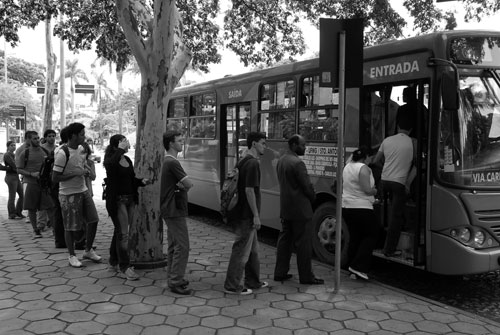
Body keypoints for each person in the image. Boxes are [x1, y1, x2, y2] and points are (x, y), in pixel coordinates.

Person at [274, 134, 324, 285]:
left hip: (286, 208)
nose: (305, 148)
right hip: (301, 210)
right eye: (303, 145)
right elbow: (307, 187)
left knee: (285, 242)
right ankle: (306, 277)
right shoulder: (297, 163)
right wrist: (313, 197)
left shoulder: (282, 160)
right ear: (294, 145)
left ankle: (280, 273)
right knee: (304, 245)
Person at [224, 131, 269, 295]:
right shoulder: (252, 164)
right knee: (241, 250)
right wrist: (256, 215)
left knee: (253, 250)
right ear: (254, 144)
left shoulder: (243, 160)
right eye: (263, 143)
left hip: (243, 211)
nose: (265, 146)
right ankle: (232, 285)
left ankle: (253, 280)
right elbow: (249, 190)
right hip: (246, 214)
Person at [53, 122, 101, 268]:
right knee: (70, 227)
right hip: (68, 194)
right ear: (73, 136)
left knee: (93, 220)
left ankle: (88, 250)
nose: (84, 137)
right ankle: (72, 255)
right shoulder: (62, 153)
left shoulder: (81, 149)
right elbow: (55, 178)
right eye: (81, 134)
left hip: (83, 190)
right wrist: (75, 173)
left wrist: (87, 169)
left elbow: (81, 164)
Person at [104, 134, 150, 280]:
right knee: (123, 235)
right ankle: (124, 267)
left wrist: (141, 181)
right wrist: (119, 150)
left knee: (121, 231)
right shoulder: (112, 160)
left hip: (130, 200)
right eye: (123, 141)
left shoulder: (127, 159)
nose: (127, 142)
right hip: (117, 202)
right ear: (116, 144)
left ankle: (113, 261)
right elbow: (110, 167)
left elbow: (130, 179)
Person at [373, 117, 414, 257]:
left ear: (397, 127)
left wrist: (386, 168)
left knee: (382, 210)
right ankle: (389, 250)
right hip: (399, 183)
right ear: (411, 130)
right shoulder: (413, 142)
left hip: (384, 182)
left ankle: (375, 242)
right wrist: (408, 183)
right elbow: (418, 166)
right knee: (395, 217)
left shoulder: (387, 140)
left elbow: (375, 161)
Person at [160, 130, 193, 294]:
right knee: (183, 245)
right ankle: (176, 280)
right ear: (171, 143)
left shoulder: (167, 161)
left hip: (170, 207)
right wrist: (182, 185)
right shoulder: (172, 162)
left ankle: (173, 277)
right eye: (179, 140)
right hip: (174, 208)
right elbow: (188, 184)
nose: (182, 143)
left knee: (174, 245)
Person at [342, 147, 380, 280]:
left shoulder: (347, 167)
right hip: (361, 207)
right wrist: (374, 191)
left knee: (355, 237)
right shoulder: (364, 168)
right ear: (367, 157)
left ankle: (351, 267)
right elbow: (367, 189)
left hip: (347, 207)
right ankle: (358, 266)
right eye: (371, 157)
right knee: (372, 234)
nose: (371, 160)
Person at [16, 131, 54, 238]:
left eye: (38, 138)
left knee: (50, 206)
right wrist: (31, 174)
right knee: (31, 208)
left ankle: (55, 229)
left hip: (44, 185)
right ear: (28, 140)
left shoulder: (45, 151)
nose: (37, 140)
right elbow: (18, 169)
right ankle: (35, 229)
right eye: (34, 139)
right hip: (30, 183)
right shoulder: (25, 153)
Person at [37, 129, 57, 230]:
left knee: (53, 201)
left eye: (53, 136)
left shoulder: (58, 149)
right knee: (43, 201)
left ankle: (52, 221)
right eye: (49, 136)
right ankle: (41, 223)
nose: (52, 138)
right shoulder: (40, 149)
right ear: (45, 138)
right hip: (43, 178)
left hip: (54, 178)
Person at [3, 141, 24, 219]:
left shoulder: (14, 155)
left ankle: (18, 212)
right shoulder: (7, 155)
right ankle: (11, 214)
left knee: (22, 195)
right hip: (11, 177)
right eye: (12, 145)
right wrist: (21, 170)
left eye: (14, 145)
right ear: (8, 146)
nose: (14, 147)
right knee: (12, 196)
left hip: (16, 177)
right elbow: (14, 165)